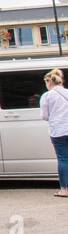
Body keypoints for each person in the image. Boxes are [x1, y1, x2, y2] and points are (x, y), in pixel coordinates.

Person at [40, 68, 68, 198]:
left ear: (48, 81)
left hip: (58, 131)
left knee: (63, 159)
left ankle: (64, 189)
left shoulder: (47, 96)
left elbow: (44, 116)